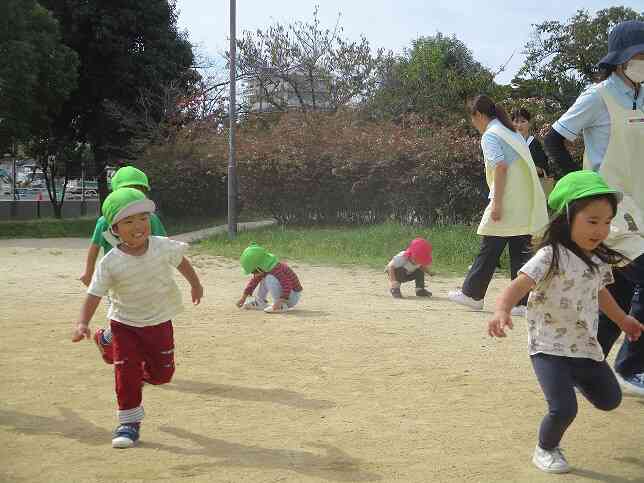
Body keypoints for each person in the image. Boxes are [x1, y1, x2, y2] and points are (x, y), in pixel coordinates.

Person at [487, 171, 644, 474]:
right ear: (568, 216)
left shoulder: (598, 260)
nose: (601, 229)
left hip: (584, 346)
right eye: (592, 220)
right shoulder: (550, 255)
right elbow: (518, 286)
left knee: (611, 400)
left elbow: (601, 294)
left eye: (607, 222)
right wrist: (502, 310)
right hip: (548, 346)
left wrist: (624, 320)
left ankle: (574, 382)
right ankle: (546, 448)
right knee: (564, 408)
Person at [543, 20, 644, 396]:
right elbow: (553, 139)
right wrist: (580, 188)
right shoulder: (597, 97)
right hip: (613, 214)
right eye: (639, 54)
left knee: (616, 294)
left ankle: (584, 369)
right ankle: (630, 366)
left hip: (643, 206)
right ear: (620, 60)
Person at [71, 188, 203, 449]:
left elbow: (182, 262)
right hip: (124, 324)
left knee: (163, 375)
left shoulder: (162, 246)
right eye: (128, 221)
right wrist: (82, 322)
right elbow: (94, 294)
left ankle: (104, 341)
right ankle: (128, 423)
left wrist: (195, 284)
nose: (138, 226)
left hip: (159, 322)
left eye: (143, 218)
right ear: (115, 229)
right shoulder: (110, 262)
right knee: (126, 371)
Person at [448, 95, 548, 316]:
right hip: (525, 199)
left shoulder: (491, 135)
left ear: (479, 115)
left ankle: (472, 295)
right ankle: (521, 303)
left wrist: (497, 203)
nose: (474, 124)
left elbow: (501, 167)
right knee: (519, 248)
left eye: (473, 119)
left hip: (508, 198)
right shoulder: (510, 131)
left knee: (490, 245)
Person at [79, 166, 167, 365]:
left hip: (146, 278)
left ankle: (106, 339)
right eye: (128, 189)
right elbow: (94, 247)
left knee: (145, 318)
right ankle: (128, 355)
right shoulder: (105, 221)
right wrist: (88, 272)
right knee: (123, 319)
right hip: (116, 280)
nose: (134, 194)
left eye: (139, 190)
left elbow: (164, 244)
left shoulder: (150, 219)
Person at [236, 243, 303, 313]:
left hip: (292, 296)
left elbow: (287, 285)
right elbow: (253, 282)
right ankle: (260, 302)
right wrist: (243, 298)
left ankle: (281, 306)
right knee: (265, 277)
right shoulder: (265, 268)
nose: (254, 274)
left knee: (270, 278)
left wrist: (280, 301)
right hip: (287, 295)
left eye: (253, 271)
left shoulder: (276, 269)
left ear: (258, 267)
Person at [511, 107, 554, 197]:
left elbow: (542, 169)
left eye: (523, 121)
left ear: (529, 123)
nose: (519, 125)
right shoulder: (509, 143)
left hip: (532, 190)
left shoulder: (534, 143)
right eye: (516, 121)